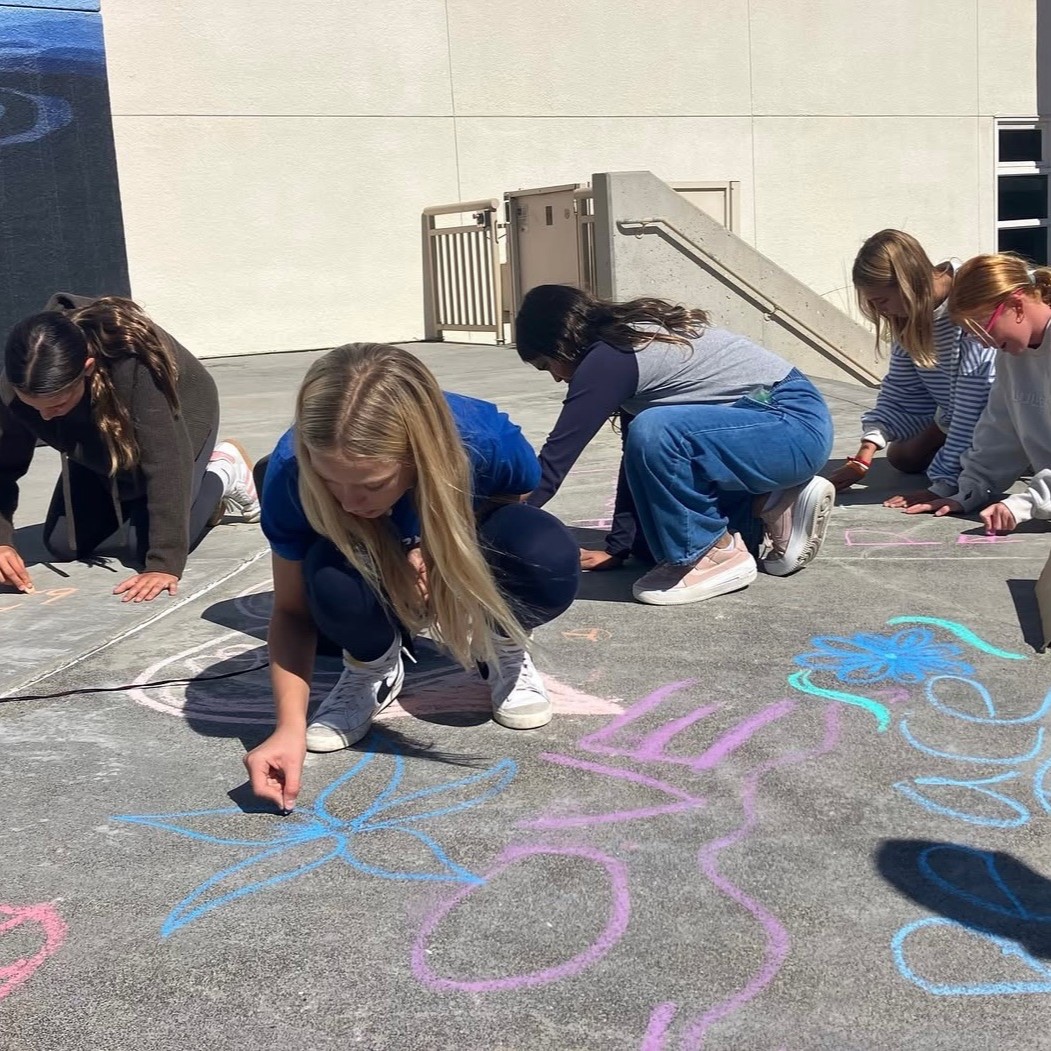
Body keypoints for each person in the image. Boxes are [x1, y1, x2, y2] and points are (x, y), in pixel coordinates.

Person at [244, 343, 579, 812]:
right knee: (330, 578)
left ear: (417, 457)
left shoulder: (481, 439)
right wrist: (287, 729)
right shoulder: (289, 470)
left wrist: (439, 553)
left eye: (371, 484)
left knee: (541, 550)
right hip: (361, 564)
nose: (347, 502)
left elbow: (513, 504)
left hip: (450, 528)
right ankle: (373, 665)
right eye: (330, 480)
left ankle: (500, 641)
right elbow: (293, 612)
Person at [515, 284, 836, 606]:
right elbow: (635, 462)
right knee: (652, 547)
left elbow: (553, 466)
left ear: (563, 341)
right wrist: (618, 548)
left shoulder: (610, 359)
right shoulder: (623, 347)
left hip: (791, 425)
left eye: (546, 364)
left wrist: (488, 527)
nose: (556, 378)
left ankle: (715, 554)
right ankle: (770, 502)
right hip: (770, 434)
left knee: (655, 430)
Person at [0, 293, 258, 602]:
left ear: (88, 368)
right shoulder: (18, 383)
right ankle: (137, 490)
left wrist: (164, 564)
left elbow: (164, 461)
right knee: (63, 544)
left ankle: (222, 470)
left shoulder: (132, 360)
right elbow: (3, 466)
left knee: (144, 546)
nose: (44, 417)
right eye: (34, 407)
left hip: (180, 415)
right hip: (97, 431)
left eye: (57, 404)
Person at [829, 229, 996, 506]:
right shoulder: (910, 315)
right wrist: (866, 451)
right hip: (958, 414)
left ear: (907, 283)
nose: (880, 311)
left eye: (881, 301)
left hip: (1004, 417)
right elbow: (901, 391)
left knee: (928, 456)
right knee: (901, 457)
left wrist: (943, 485)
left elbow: (974, 404)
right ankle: (948, 435)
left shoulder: (970, 302)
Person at [899, 253, 1051, 534]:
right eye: (972, 333)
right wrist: (969, 490)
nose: (983, 342)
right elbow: (1000, 429)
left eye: (984, 327)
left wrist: (1024, 505)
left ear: (1016, 305)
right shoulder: (1011, 358)